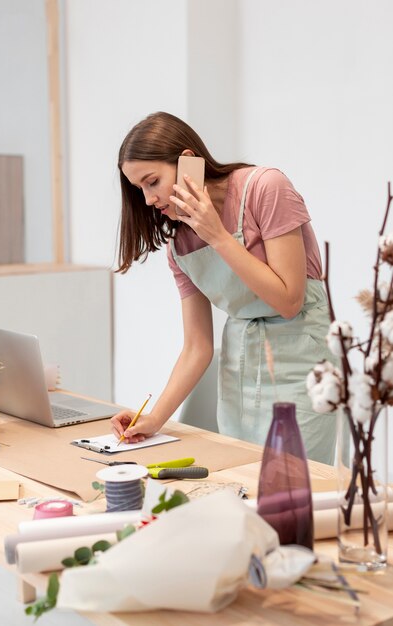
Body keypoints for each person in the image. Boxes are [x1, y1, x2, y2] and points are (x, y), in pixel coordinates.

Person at [111, 111, 336, 464]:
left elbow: (290, 300)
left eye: (152, 181)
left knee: (295, 490)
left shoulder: (266, 188)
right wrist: (155, 418)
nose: (149, 199)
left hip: (302, 364)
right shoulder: (179, 246)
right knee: (240, 482)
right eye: (139, 189)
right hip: (239, 371)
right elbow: (197, 347)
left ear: (187, 163)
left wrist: (217, 236)